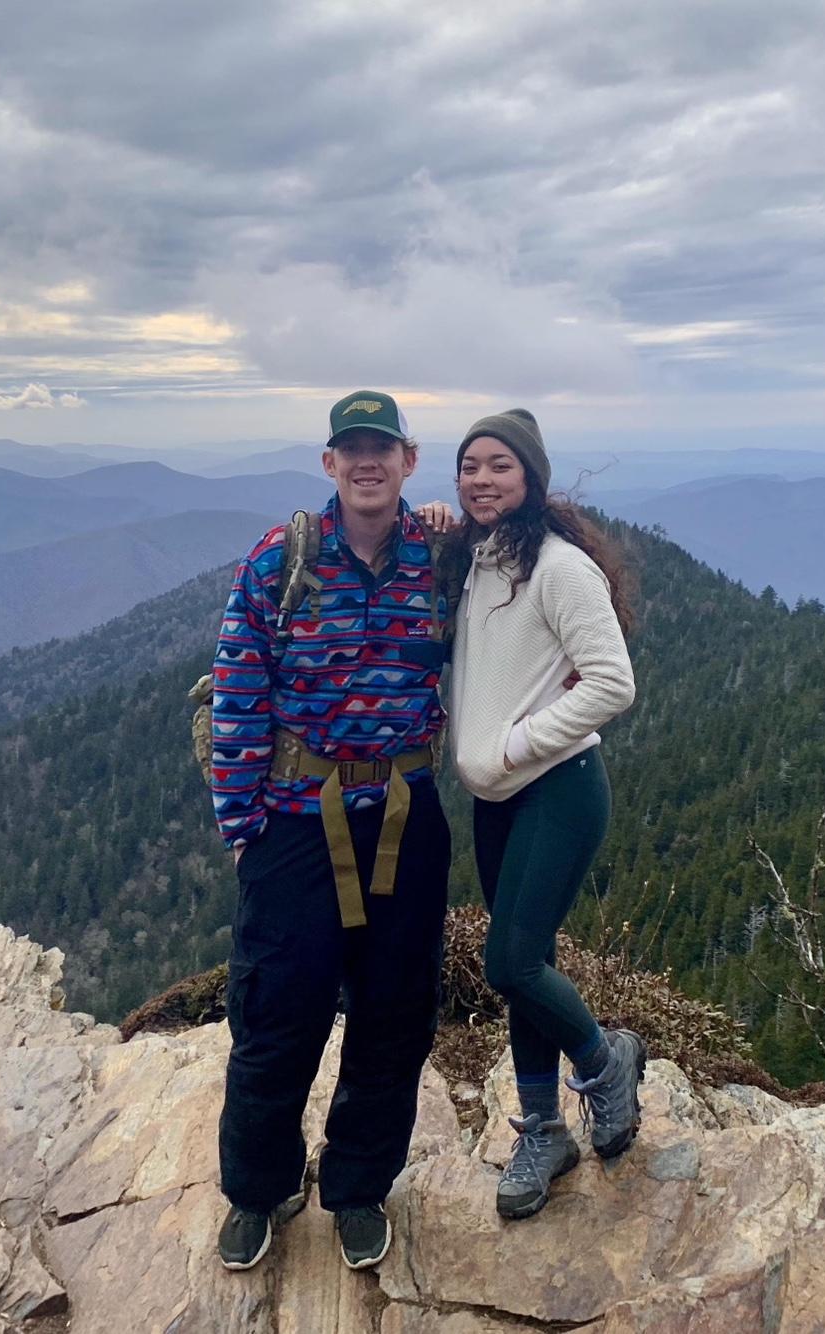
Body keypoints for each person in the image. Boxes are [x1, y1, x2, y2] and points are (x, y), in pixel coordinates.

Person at [210, 390, 451, 1272]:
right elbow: (239, 686)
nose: (367, 462)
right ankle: (260, 1189)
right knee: (278, 1011)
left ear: (408, 460)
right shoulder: (281, 559)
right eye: (352, 449)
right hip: (295, 816)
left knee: (395, 1013)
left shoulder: (442, 557)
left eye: (382, 448)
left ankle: (356, 1188)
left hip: (405, 812)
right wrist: (242, 823)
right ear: (329, 463)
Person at [431, 408, 642, 1220]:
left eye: (500, 466)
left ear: (531, 477)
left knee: (511, 964)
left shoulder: (558, 567)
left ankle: (605, 1061)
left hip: (558, 788)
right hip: (498, 802)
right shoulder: (475, 560)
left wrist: (516, 742)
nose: (481, 479)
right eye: (469, 466)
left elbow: (612, 683)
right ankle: (544, 1130)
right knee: (530, 964)